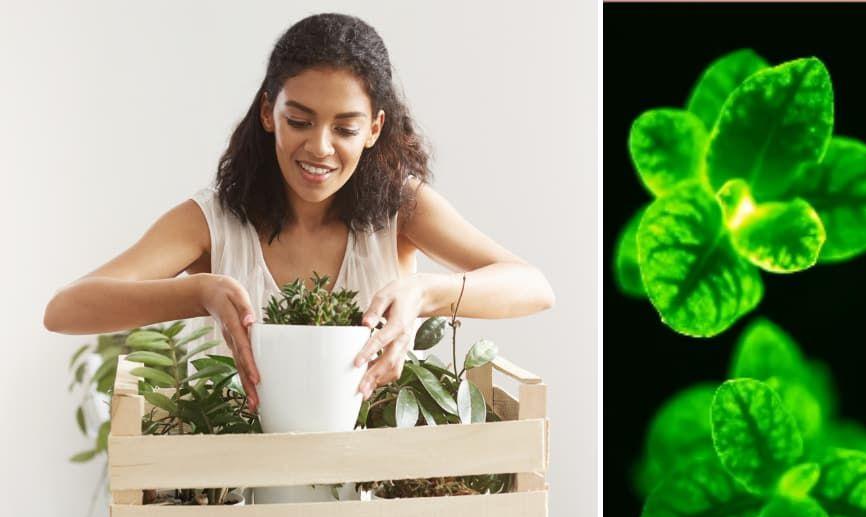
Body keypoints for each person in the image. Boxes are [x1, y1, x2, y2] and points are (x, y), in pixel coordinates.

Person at [42, 13, 555, 412]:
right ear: (269, 113)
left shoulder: (404, 210)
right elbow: (64, 310)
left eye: (346, 129)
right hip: (239, 495)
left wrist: (426, 293)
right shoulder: (211, 221)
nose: (320, 148)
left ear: (374, 129)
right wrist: (198, 292)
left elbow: (534, 287)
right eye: (300, 121)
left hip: (376, 489)